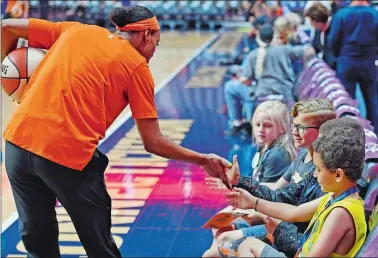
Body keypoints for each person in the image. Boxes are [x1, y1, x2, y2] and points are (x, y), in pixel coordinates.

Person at [1, 6, 231, 257]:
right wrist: (202, 159)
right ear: (146, 34)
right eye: (157, 41)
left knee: (38, 242)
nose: (155, 49)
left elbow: (6, 27)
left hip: (17, 146)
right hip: (65, 157)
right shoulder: (136, 67)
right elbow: (153, 142)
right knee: (99, 244)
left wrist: (8, 80)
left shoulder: (76, 31)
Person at [203, 98, 336, 257]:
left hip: (290, 235)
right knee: (218, 242)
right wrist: (238, 181)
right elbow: (279, 193)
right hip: (280, 225)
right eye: (294, 125)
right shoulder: (302, 157)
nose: (294, 131)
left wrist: (259, 210)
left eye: (301, 127)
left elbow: (295, 214)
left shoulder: (323, 173)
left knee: (222, 244)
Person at [224, 117, 367, 257]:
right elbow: (294, 213)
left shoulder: (340, 213)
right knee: (248, 244)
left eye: (318, 169)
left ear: (338, 175)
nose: (315, 175)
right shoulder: (336, 196)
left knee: (248, 245)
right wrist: (252, 203)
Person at [205, 100, 296, 247]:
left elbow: (270, 195)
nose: (261, 130)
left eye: (268, 126)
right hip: (260, 206)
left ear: (282, 128)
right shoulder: (266, 148)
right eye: (257, 125)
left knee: (222, 235)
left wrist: (233, 186)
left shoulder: (276, 155)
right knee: (217, 227)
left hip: (273, 217)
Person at [224, 24, 315, 136]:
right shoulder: (284, 50)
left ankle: (237, 123)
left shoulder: (254, 54)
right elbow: (309, 51)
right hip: (285, 97)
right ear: (273, 37)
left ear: (259, 38)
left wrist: (241, 79)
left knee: (230, 87)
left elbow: (246, 81)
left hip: (262, 97)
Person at [328, 0, 378, 135]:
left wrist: (340, 55)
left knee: (346, 103)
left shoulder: (341, 14)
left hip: (347, 61)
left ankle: (349, 137)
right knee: (372, 102)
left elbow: (332, 40)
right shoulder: (375, 14)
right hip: (369, 62)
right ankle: (375, 137)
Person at [304, 2, 337, 69]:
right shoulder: (317, 30)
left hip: (336, 68)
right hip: (325, 68)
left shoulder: (335, 27)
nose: (310, 23)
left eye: (311, 21)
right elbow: (316, 47)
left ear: (316, 20)